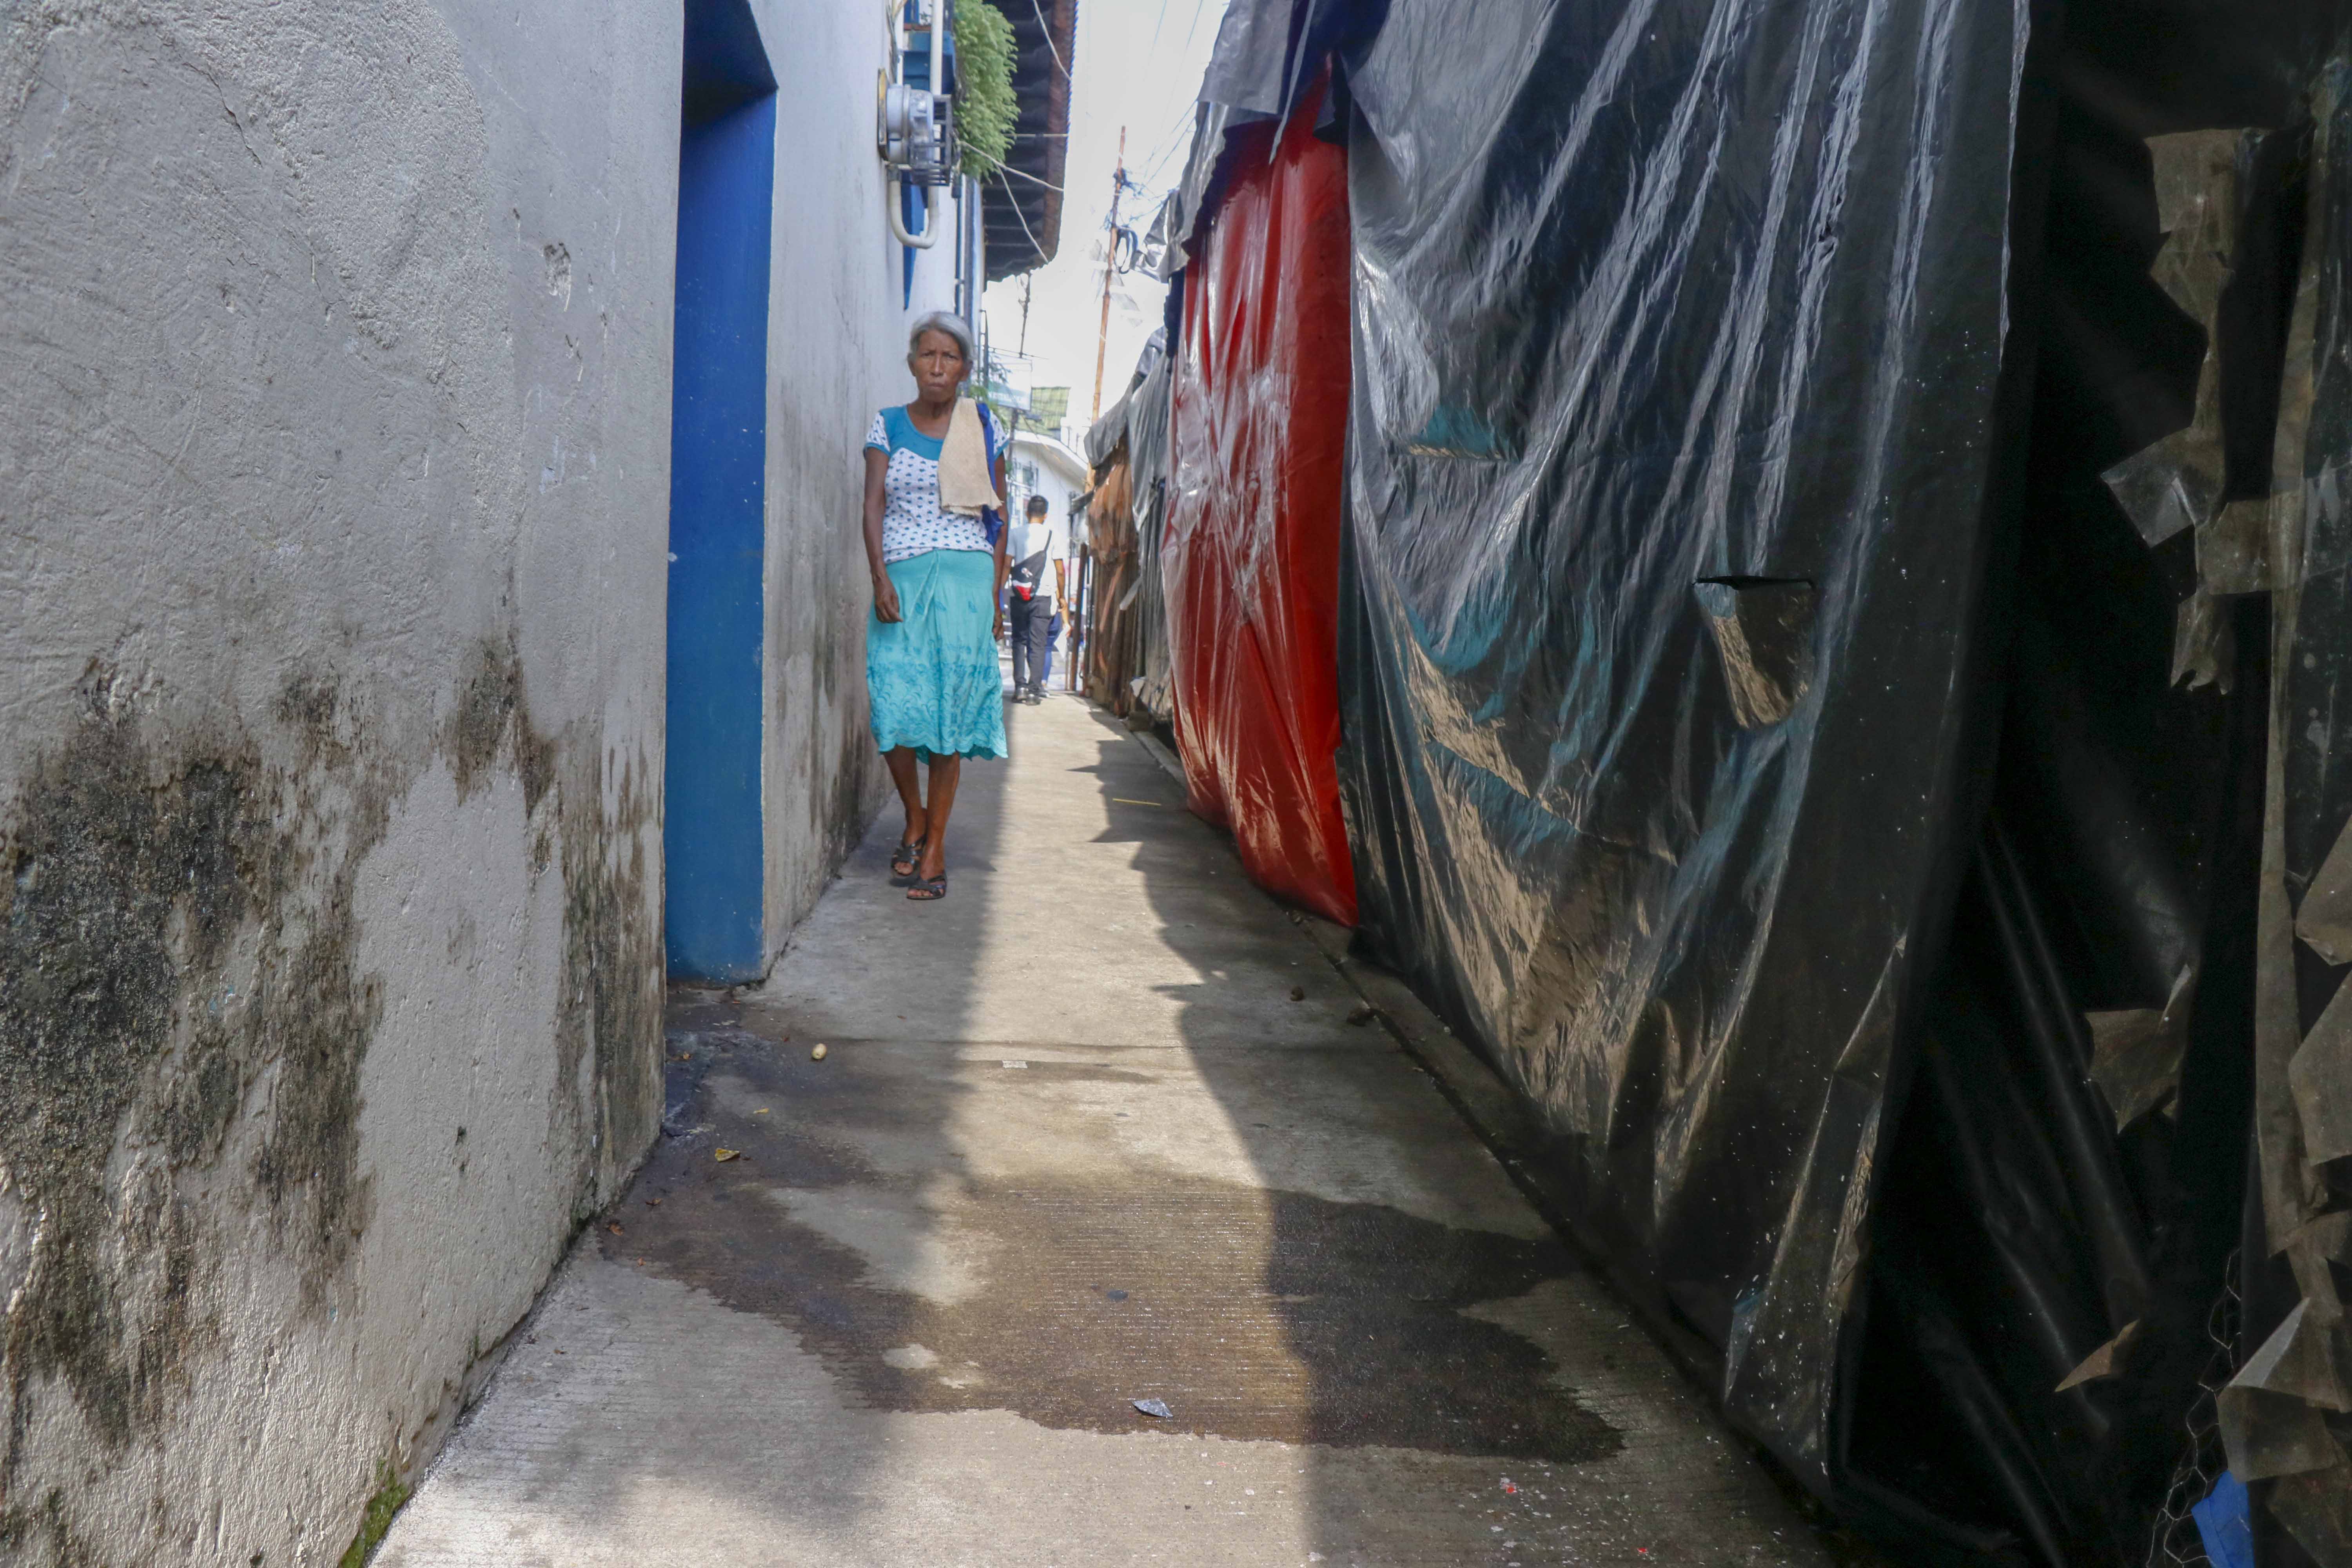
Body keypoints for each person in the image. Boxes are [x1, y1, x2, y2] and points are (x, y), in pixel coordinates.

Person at [862, 311, 1009, 902]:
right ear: (912, 362)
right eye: (928, 355)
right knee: (893, 705)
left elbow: (1001, 513)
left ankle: (937, 846)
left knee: (948, 711)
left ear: (965, 369)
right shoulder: (888, 424)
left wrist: (994, 594)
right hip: (902, 575)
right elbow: (872, 504)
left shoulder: (981, 424)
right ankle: (914, 816)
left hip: (967, 579)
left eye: (949, 357)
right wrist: (878, 577)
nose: (938, 367)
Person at [1004, 494, 1068, 704]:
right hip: (1044, 596)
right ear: (1046, 515)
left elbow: (1007, 564)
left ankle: (1020, 687)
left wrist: (997, 591)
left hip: (1018, 594)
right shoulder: (1054, 535)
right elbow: (1060, 570)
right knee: (1038, 644)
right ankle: (1034, 691)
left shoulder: (1015, 534)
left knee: (1019, 641)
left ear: (1027, 513)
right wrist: (1062, 595)